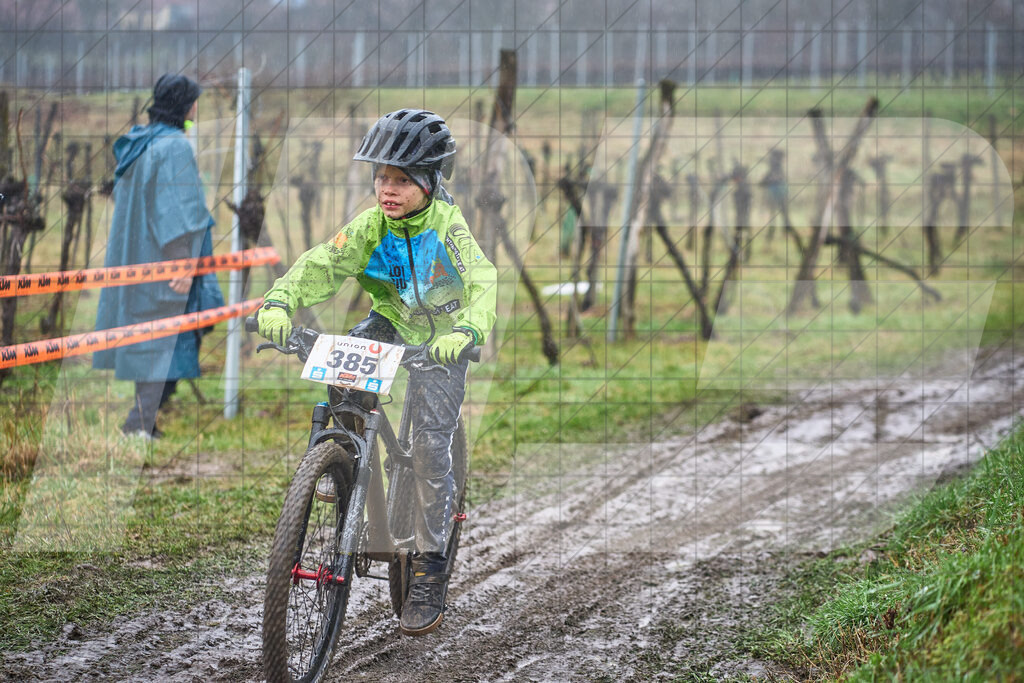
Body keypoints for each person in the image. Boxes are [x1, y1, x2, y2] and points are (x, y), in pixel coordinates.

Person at [256, 109, 497, 636]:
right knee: (341, 364)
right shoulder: (372, 227)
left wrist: (468, 333)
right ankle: (336, 460)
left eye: (401, 179)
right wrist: (279, 302)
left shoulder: (447, 228)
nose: (387, 189)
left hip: (441, 341)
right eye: (381, 177)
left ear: (430, 182)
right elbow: (322, 263)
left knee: (431, 449)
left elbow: (482, 279)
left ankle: (431, 566)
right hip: (390, 322)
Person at [93, 74, 225, 440]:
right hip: (166, 260)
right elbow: (175, 208)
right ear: (183, 105)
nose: (197, 107)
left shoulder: (141, 142)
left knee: (151, 339)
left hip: (137, 257)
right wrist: (182, 262)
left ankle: (143, 421)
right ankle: (139, 423)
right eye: (193, 101)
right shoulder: (174, 147)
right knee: (166, 339)